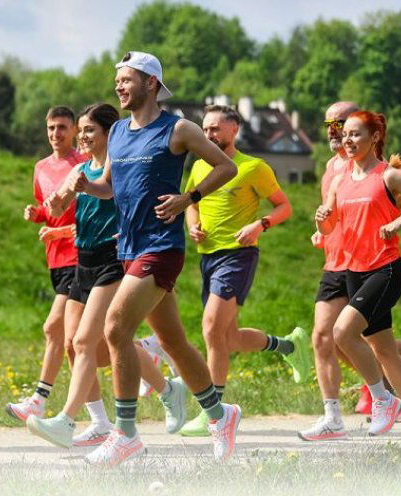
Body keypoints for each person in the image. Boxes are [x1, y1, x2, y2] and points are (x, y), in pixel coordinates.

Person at [71, 51, 240, 466]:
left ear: (150, 83)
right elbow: (110, 187)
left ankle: (125, 433)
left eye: (126, 80)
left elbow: (226, 167)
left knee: (115, 328)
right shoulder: (118, 134)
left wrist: (188, 198)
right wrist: (86, 186)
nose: (119, 87)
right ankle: (221, 415)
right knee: (173, 342)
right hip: (127, 248)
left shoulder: (177, 129)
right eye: (117, 82)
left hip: (161, 247)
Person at [26, 103, 187, 449]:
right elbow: (56, 205)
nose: (82, 136)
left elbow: (124, 198)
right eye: (80, 130)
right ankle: (164, 390)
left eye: (89, 131)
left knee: (85, 342)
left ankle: (66, 421)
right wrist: (49, 207)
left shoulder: (121, 171)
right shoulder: (80, 169)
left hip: (113, 261)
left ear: (108, 134)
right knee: (77, 347)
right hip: (82, 261)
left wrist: (130, 228)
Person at [300, 102, 401, 442]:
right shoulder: (339, 179)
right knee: (384, 350)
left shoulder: (388, 175)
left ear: (375, 137)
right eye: (346, 134)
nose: (348, 139)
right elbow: (330, 227)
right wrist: (321, 223)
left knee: (342, 333)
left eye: (356, 134)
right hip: (352, 268)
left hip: (385, 269)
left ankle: (382, 399)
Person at [177, 104, 302, 437]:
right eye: (205, 129)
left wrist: (259, 225)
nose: (209, 135)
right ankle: (289, 346)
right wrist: (194, 225)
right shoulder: (201, 166)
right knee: (228, 338)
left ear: (234, 130)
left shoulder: (252, 167)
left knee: (210, 329)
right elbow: (192, 203)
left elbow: (284, 206)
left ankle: (214, 412)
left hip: (238, 255)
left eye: (216, 129)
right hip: (208, 256)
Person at [8, 106, 85, 421]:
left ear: (75, 131)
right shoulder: (40, 167)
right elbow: (50, 208)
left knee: (56, 329)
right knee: (89, 338)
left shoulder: (83, 165)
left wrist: (58, 230)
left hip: (81, 255)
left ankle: (42, 402)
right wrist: (36, 214)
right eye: (51, 128)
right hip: (56, 259)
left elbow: (89, 216)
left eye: (63, 127)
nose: (56, 134)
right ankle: (153, 366)